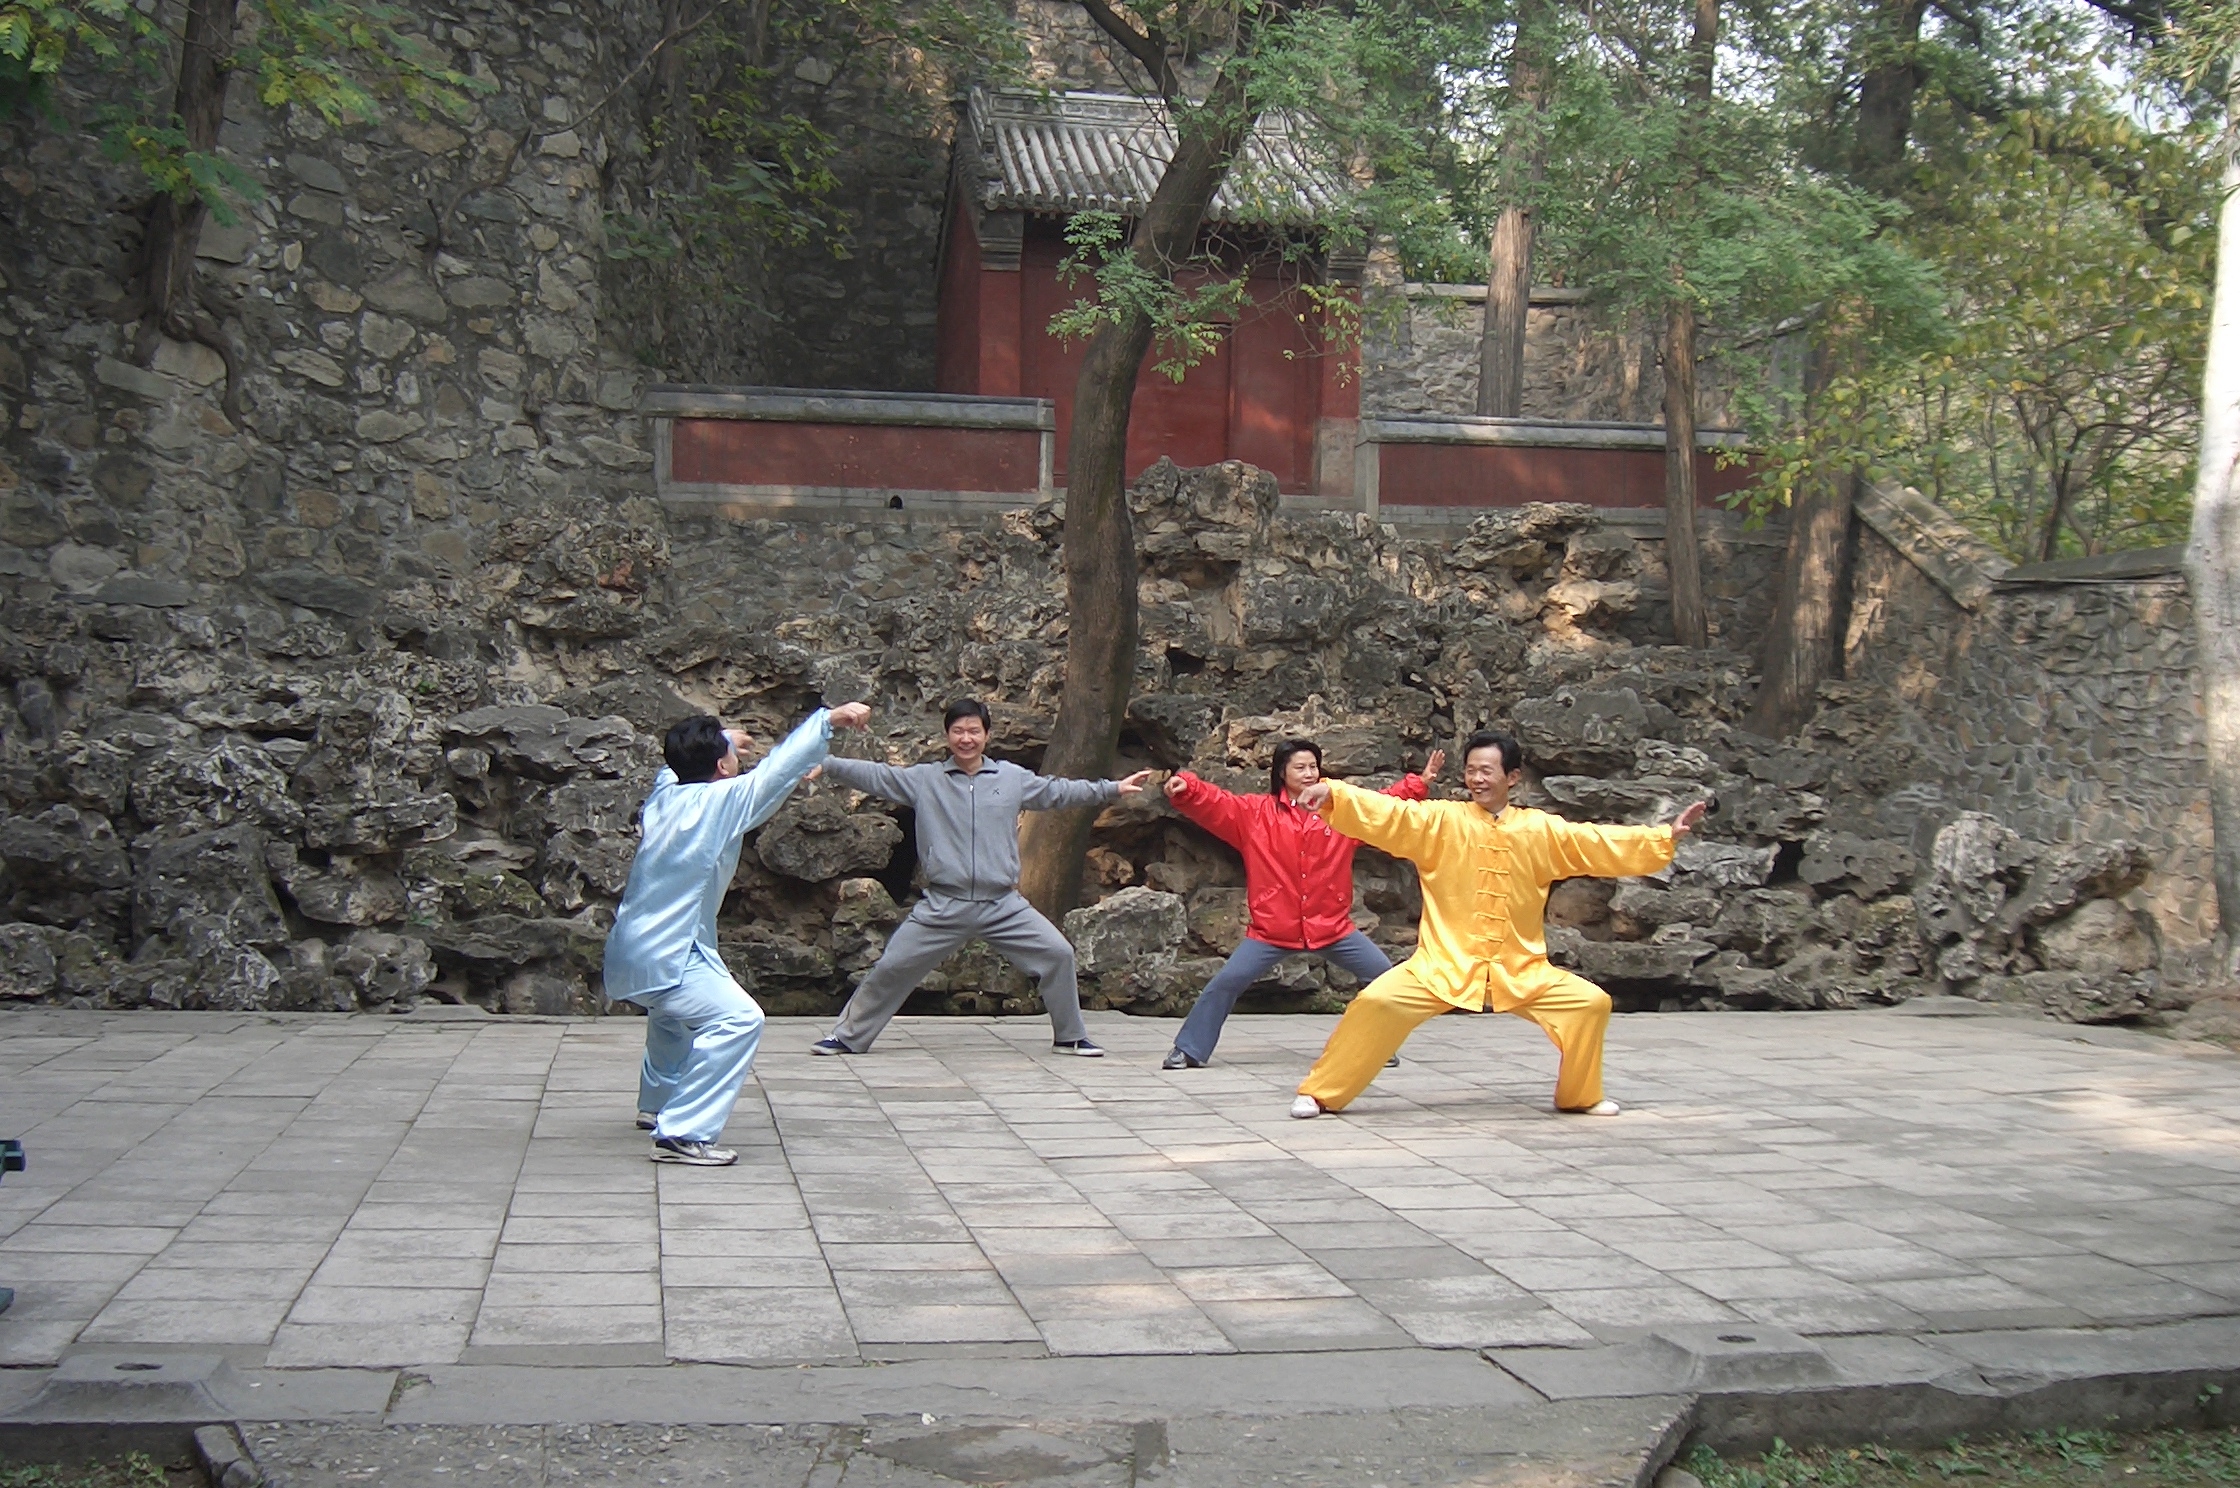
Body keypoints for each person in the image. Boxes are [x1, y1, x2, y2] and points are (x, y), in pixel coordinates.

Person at [1288, 729, 1708, 1121]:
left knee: (1588, 1004)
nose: (1477, 779)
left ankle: (1580, 1095)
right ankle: (1321, 1092)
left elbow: (1595, 841)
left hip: (1520, 967)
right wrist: (1333, 795)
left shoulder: (1540, 830)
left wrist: (1664, 838)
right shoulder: (1441, 821)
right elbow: (1392, 814)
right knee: (1377, 1002)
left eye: (1486, 771)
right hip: (1443, 962)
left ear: (1513, 777)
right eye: (1471, 770)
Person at [604, 702, 872, 1165]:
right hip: (669, 950)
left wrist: (721, 737)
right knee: (738, 1020)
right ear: (720, 766)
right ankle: (682, 1132)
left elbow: (673, 767)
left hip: (635, 949)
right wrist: (826, 722)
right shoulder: (716, 803)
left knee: (672, 1019)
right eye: (728, 753)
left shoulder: (667, 793)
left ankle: (657, 1104)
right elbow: (773, 775)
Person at [811, 698, 1152, 1058]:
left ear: (987, 735)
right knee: (893, 965)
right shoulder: (927, 780)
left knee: (1058, 953)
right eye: (958, 730)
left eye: (974, 730)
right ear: (947, 735)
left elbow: (1057, 792)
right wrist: (825, 763)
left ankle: (1070, 1036)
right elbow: (876, 775)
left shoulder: (1011, 778)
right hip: (944, 904)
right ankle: (848, 1036)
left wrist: (1111, 789)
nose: (966, 738)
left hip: (1002, 904)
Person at [1158, 740, 1446, 1069]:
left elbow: (1380, 805)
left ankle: (1376, 1045)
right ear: (1282, 772)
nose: (1309, 774)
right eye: (1300, 767)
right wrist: (1187, 789)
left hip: (1331, 926)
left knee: (1383, 976)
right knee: (1226, 982)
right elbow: (1216, 802)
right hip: (1273, 929)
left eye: (1313, 766)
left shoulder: (1342, 813)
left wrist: (1418, 783)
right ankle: (1189, 1049)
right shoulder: (1255, 814)